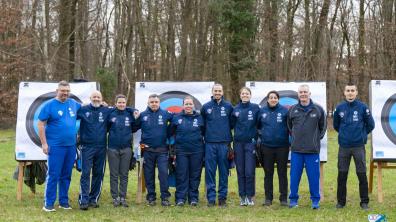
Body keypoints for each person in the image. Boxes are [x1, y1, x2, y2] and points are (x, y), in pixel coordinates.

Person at [38, 80, 81, 212]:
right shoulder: (49, 105)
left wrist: (101, 104)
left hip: (71, 146)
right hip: (56, 146)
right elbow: (40, 124)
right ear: (57, 91)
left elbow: (88, 109)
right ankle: (49, 203)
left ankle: (63, 202)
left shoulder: (73, 104)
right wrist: (44, 144)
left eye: (67, 91)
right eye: (63, 91)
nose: (65, 93)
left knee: (66, 175)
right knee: (53, 174)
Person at [333, 83, 375, 210]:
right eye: (348, 90)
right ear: (344, 93)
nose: (350, 93)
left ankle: (364, 202)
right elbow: (336, 126)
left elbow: (371, 125)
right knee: (342, 174)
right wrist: (345, 135)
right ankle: (341, 202)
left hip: (358, 147)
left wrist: (361, 135)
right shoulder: (339, 108)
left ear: (356, 93)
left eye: (352, 90)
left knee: (361, 174)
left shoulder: (363, 107)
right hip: (344, 147)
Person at [287, 84, 326, 209]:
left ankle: (315, 201)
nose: (303, 94)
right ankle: (293, 200)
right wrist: (295, 139)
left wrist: (313, 139)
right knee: (294, 177)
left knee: (314, 177)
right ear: (298, 94)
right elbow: (289, 127)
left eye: (305, 92)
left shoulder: (318, 109)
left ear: (309, 94)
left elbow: (323, 128)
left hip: (312, 151)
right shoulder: (292, 109)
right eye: (301, 92)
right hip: (296, 150)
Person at [136, 94, 173, 206]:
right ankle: (151, 197)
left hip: (162, 150)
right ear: (148, 103)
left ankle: (165, 198)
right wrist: (134, 116)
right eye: (151, 102)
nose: (154, 104)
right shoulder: (142, 115)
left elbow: (177, 121)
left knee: (163, 174)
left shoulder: (166, 114)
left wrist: (169, 132)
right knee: (149, 175)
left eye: (156, 102)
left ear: (159, 103)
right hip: (147, 150)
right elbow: (133, 127)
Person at [201, 83, 233, 207]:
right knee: (210, 172)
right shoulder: (205, 107)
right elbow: (202, 125)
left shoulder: (229, 106)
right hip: (209, 144)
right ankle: (211, 198)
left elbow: (232, 123)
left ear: (223, 92)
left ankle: (222, 198)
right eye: (215, 91)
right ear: (212, 92)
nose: (217, 93)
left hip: (224, 144)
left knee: (224, 172)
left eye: (219, 91)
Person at [170, 96, 205, 206]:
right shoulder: (176, 118)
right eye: (186, 104)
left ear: (193, 105)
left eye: (190, 104)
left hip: (197, 151)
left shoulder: (200, 118)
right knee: (181, 175)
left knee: (195, 175)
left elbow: (204, 132)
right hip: (181, 151)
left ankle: (193, 198)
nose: (188, 106)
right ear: (183, 106)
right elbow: (170, 132)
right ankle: (180, 198)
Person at [257, 90, 289, 207]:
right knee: (268, 174)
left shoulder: (285, 111)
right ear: (268, 99)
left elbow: (290, 127)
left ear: (278, 99)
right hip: (267, 147)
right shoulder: (262, 111)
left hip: (282, 147)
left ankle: (283, 198)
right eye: (271, 97)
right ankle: (268, 198)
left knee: (282, 173)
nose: (273, 99)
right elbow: (258, 127)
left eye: (275, 97)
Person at [77, 91, 108, 210]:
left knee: (98, 174)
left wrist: (132, 111)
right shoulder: (83, 110)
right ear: (90, 98)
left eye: (98, 97)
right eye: (94, 97)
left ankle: (93, 199)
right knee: (85, 173)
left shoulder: (106, 110)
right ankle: (83, 200)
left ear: (102, 99)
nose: (96, 99)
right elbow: (70, 114)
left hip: (101, 148)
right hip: (86, 147)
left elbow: (122, 108)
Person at [107, 94, 138, 207]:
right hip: (112, 148)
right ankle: (115, 197)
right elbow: (106, 127)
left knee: (124, 174)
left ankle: (123, 197)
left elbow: (135, 127)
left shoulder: (130, 114)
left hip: (126, 149)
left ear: (126, 103)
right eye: (119, 102)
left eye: (123, 103)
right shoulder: (110, 114)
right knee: (114, 174)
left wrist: (133, 109)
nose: (121, 104)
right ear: (115, 103)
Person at [231, 87, 259, 206]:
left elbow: (260, 124)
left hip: (250, 144)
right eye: (243, 93)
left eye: (247, 93)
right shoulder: (235, 109)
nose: (245, 95)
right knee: (240, 171)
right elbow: (231, 125)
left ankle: (250, 196)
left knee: (249, 171)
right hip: (238, 144)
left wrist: (256, 139)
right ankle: (242, 197)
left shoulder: (256, 108)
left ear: (250, 95)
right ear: (240, 95)